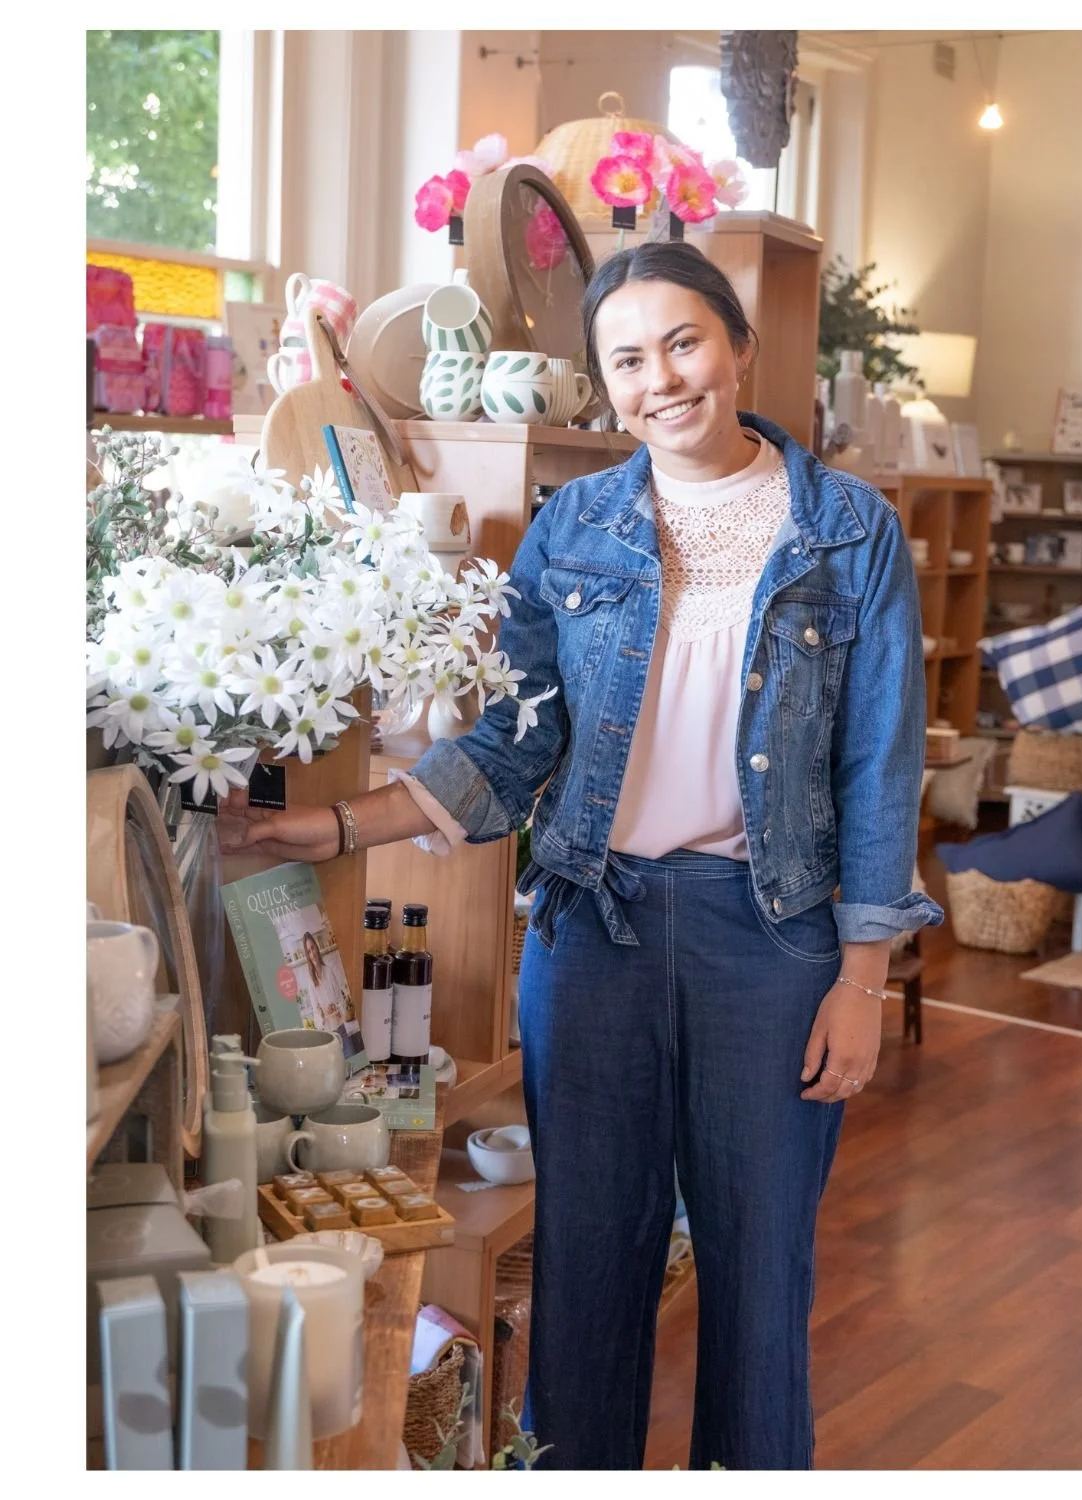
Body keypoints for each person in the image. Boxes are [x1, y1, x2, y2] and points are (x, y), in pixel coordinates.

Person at [218, 241, 943, 1469]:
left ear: (739, 347)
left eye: (684, 343)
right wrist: (334, 826)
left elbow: (880, 763)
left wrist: (863, 981)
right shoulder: (574, 528)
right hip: (592, 935)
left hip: (773, 945)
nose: (663, 379)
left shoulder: (847, 531)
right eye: (629, 359)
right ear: (606, 386)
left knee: (759, 1276)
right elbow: (516, 744)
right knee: (587, 1270)